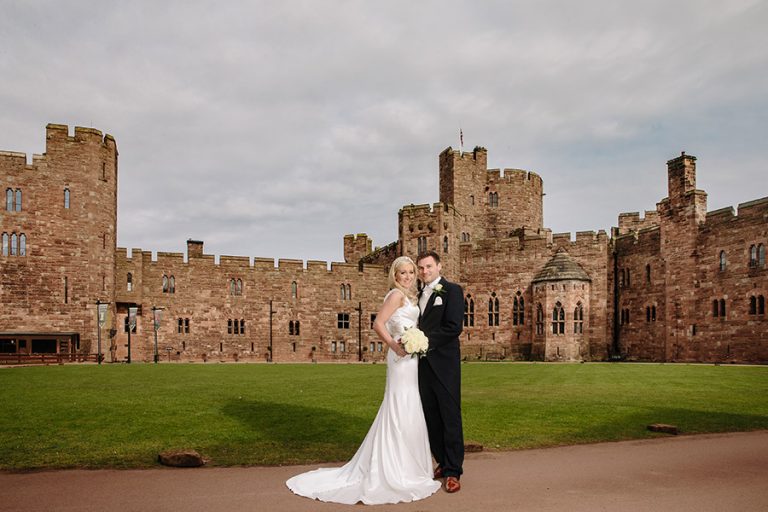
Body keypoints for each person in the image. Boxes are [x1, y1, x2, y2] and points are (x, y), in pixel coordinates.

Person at [286, 256, 441, 505]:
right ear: (395, 275)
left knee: (409, 404)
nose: (409, 276)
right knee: (399, 405)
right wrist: (393, 344)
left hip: (411, 358)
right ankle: (395, 469)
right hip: (401, 357)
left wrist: (415, 341)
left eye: (412, 272)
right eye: (403, 272)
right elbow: (378, 323)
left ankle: (408, 466)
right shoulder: (395, 296)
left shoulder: (409, 296)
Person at [417, 251, 465, 493]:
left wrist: (423, 340)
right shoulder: (418, 294)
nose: (425, 271)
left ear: (439, 266)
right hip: (422, 366)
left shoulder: (452, 291)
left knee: (450, 416)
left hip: (445, 365)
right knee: (431, 417)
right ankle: (442, 462)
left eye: (429, 267)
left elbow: (454, 327)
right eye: (421, 268)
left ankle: (454, 471)